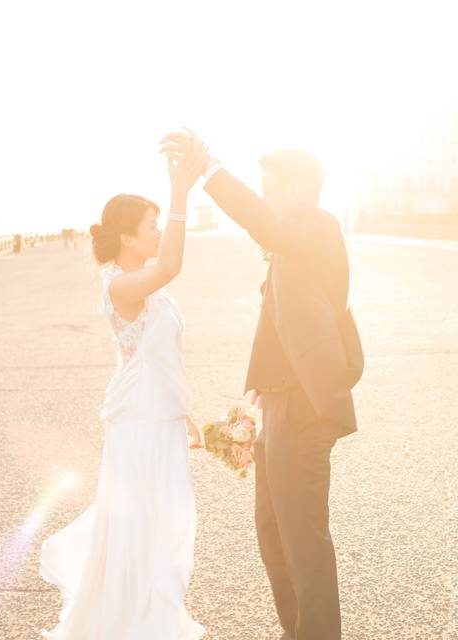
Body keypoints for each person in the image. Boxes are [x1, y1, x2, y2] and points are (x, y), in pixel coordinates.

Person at [160, 131, 363, 640]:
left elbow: (264, 224)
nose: (266, 198)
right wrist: (259, 388)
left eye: (270, 188)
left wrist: (208, 170)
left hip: (306, 408)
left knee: (304, 542)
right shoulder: (294, 239)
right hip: (280, 403)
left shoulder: (315, 225)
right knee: (273, 532)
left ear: (294, 188)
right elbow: (287, 321)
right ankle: (297, 631)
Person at [38, 136, 208, 638]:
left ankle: (150, 618)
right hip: (137, 424)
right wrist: (180, 191)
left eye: (159, 225)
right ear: (129, 240)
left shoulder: (147, 284)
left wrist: (184, 414)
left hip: (161, 418)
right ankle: (132, 625)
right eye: (152, 227)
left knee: (164, 524)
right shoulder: (119, 285)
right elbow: (172, 265)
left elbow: (157, 357)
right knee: (141, 528)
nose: (157, 233)